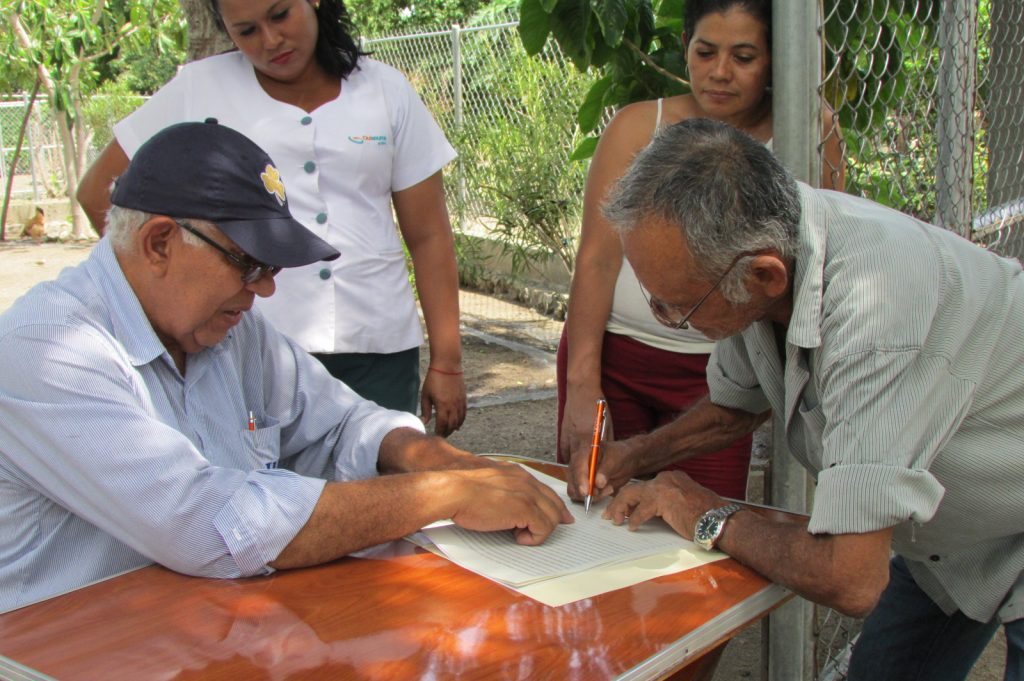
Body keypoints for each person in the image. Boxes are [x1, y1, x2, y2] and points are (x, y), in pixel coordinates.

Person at [0, 121, 571, 614]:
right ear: (159, 244)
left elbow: (340, 420)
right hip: (66, 650)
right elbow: (210, 525)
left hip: (206, 633)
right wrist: (442, 495)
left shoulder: (229, 333)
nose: (266, 289)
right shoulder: (49, 350)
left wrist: (433, 456)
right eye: (248, 264)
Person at [580, 118, 1023, 680]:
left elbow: (851, 576)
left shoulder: (877, 312)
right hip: (957, 538)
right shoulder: (765, 236)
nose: (669, 320)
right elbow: (735, 407)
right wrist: (635, 456)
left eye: (678, 308)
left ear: (765, 275)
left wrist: (700, 510)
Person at [77, 0, 466, 436]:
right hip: (251, 348)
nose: (270, 41)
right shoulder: (200, 89)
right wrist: (175, 292)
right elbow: (99, 192)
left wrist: (447, 363)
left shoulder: (385, 91)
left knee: (385, 481)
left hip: (379, 348)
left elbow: (429, 235)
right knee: (262, 488)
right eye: (246, 31)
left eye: (281, 16)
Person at [557, 0, 845, 501]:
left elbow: (820, 261)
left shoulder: (807, 135)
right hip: (616, 358)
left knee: (697, 530)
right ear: (685, 48)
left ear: (775, 60)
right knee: (596, 508)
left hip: (720, 380)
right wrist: (583, 383)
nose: (720, 73)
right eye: (705, 51)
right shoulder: (637, 126)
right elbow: (597, 259)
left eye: (744, 57)